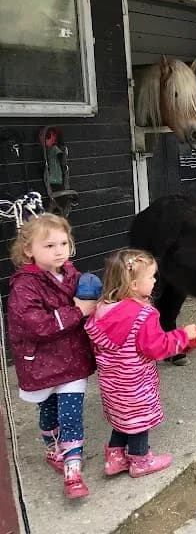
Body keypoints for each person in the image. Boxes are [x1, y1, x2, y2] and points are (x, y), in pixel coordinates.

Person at [84, 249, 196, 478]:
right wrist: (183, 336)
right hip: (136, 384)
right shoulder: (144, 315)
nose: (155, 280)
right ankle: (140, 461)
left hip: (112, 384)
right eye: (152, 276)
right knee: (138, 422)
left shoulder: (101, 310)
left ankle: (115, 458)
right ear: (134, 284)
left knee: (122, 418)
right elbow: (157, 348)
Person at [6, 214, 97, 499]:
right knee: (48, 413)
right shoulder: (24, 286)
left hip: (72, 360)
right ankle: (52, 449)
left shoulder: (71, 273)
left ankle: (73, 469)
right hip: (42, 364)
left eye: (63, 243)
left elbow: (89, 299)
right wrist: (78, 311)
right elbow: (36, 325)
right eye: (49, 246)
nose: (59, 251)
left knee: (71, 414)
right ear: (28, 250)